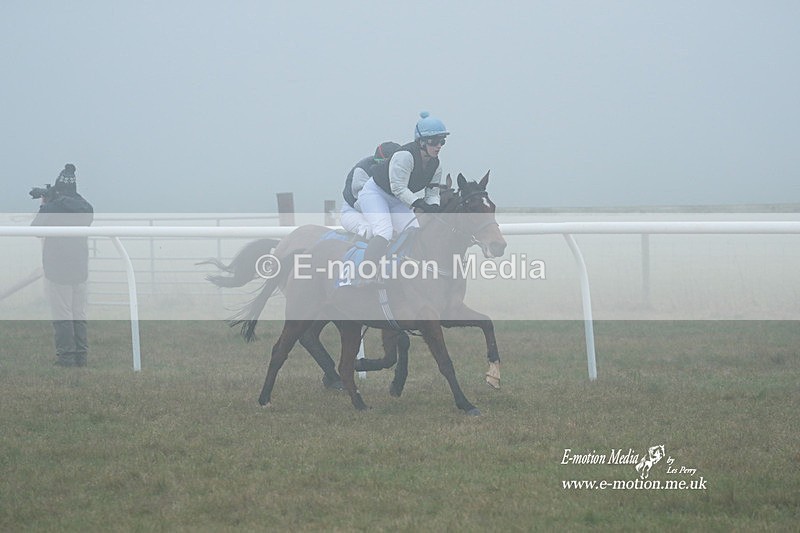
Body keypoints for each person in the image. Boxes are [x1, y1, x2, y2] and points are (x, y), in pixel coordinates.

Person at [356, 111, 449, 272]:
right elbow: (398, 188)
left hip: (396, 200)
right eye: (434, 141)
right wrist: (420, 203)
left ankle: (398, 268)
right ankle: (366, 273)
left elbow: (432, 193)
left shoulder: (436, 165)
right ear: (421, 142)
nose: (439, 145)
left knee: (413, 231)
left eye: (442, 141)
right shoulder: (404, 156)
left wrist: (434, 207)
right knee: (384, 231)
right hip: (375, 194)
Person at [31, 164, 94, 367]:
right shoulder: (84, 206)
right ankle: (81, 357)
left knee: (62, 314)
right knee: (79, 314)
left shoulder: (52, 207)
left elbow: (37, 229)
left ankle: (66, 359)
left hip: (57, 269)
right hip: (80, 268)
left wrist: (45, 204)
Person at [340, 141, 401, 239]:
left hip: (381, 210)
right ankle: (355, 253)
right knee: (368, 230)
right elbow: (364, 204)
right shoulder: (363, 171)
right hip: (354, 211)